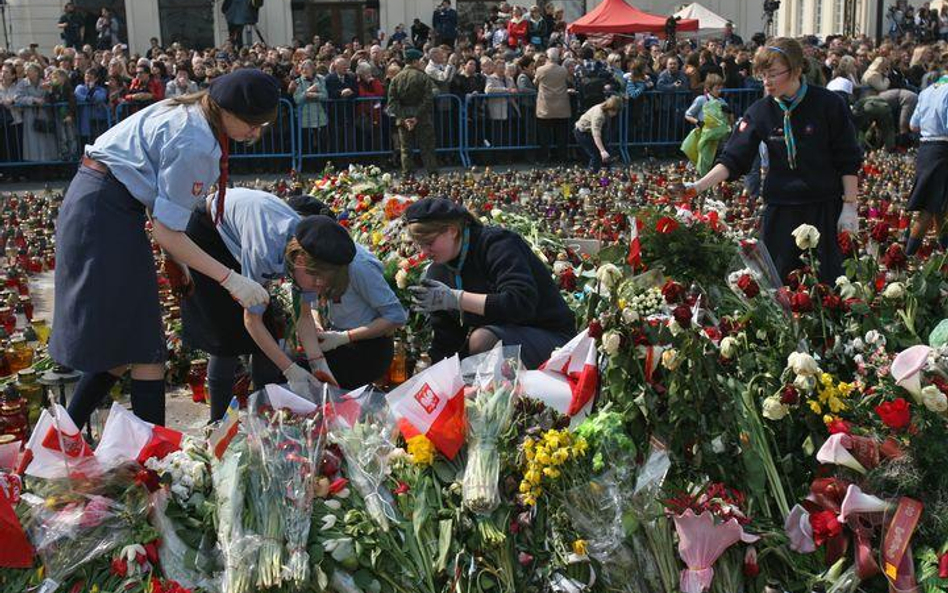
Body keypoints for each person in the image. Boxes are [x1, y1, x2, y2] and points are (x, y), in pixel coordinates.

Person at [54, 69, 280, 429]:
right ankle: (153, 458)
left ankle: (62, 433)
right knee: (145, 348)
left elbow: (158, 202)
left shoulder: (188, 111)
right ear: (225, 109)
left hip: (100, 204)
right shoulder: (197, 143)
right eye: (252, 123)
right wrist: (231, 279)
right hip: (106, 215)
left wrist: (177, 260)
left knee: (122, 342)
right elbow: (166, 230)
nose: (255, 133)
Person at [679, 39, 862, 283]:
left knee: (827, 282)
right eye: (763, 75)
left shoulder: (828, 104)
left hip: (823, 207)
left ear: (796, 70)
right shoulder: (760, 111)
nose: (767, 81)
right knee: (778, 285)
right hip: (780, 209)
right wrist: (697, 187)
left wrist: (849, 207)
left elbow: (847, 157)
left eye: (773, 74)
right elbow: (733, 159)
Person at [404, 198, 574, 369]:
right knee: (456, 365)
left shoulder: (498, 244)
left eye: (429, 243)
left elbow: (521, 304)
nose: (424, 252)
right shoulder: (439, 269)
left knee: (482, 340)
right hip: (507, 338)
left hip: (551, 337)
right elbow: (448, 338)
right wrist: (431, 373)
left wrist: (457, 299)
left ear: (452, 231)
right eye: (419, 245)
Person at [904, 74, 948, 255]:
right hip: (942, 150)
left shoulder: (926, 91)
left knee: (940, 207)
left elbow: (914, 125)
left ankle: (944, 253)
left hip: (926, 149)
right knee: (929, 208)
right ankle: (906, 256)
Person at [387, 48, 439, 177]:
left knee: (406, 150)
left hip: (403, 119)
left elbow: (392, 102)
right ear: (415, 61)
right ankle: (432, 175)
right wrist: (415, 117)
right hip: (422, 118)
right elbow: (428, 99)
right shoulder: (422, 77)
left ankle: (407, 176)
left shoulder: (396, 78)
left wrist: (405, 118)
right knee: (427, 148)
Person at [535, 47, 570, 163]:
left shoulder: (541, 70)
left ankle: (544, 158)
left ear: (547, 57)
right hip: (562, 107)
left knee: (544, 137)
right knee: (561, 137)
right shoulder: (563, 70)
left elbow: (535, 82)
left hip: (545, 108)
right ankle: (562, 159)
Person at [574, 95, 622, 171]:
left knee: (607, 153)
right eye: (616, 111)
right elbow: (596, 135)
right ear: (611, 109)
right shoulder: (599, 115)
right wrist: (602, 151)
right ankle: (591, 176)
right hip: (583, 132)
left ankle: (606, 173)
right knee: (596, 155)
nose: (616, 114)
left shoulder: (605, 109)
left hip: (590, 132)